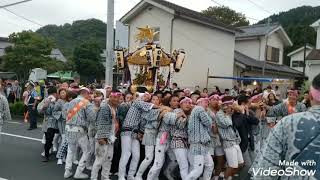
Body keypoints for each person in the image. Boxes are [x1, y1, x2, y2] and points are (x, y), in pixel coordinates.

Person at [250, 73, 320, 180]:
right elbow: (272, 111)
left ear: (310, 95)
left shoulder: (300, 107)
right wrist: (264, 107)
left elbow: (264, 172)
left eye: (294, 95)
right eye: (290, 95)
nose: (292, 97)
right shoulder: (283, 106)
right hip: (288, 136)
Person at [118, 93, 159, 180]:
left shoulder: (144, 109)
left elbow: (143, 123)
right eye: (144, 96)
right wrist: (162, 107)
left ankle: (130, 175)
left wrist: (141, 132)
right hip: (127, 131)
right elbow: (151, 106)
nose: (146, 98)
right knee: (126, 154)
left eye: (147, 97)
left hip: (135, 133)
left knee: (136, 155)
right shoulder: (137, 102)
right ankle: (121, 176)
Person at [64, 87, 96, 179]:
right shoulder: (86, 103)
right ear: (85, 93)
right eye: (88, 94)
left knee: (71, 150)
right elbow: (92, 117)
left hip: (68, 127)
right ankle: (78, 172)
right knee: (87, 150)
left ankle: (67, 171)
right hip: (79, 129)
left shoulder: (70, 102)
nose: (89, 96)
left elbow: (65, 114)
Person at [91, 91, 121, 180]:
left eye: (118, 98)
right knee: (99, 160)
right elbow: (101, 122)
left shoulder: (114, 108)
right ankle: (93, 178)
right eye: (114, 97)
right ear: (110, 97)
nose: (117, 100)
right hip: (103, 137)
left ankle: (105, 177)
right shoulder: (105, 107)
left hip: (110, 137)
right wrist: (101, 137)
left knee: (108, 159)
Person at [134, 95, 163, 180]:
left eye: (157, 99)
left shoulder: (159, 109)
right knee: (148, 157)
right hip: (149, 133)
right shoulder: (148, 110)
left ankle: (154, 176)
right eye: (153, 99)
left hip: (157, 135)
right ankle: (138, 175)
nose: (155, 101)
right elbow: (148, 119)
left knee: (156, 158)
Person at [216, 96, 244, 180]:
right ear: (224, 105)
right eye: (229, 104)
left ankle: (223, 175)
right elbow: (227, 123)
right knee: (232, 165)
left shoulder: (231, 113)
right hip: (228, 142)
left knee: (241, 164)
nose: (231, 106)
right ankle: (224, 177)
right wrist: (228, 114)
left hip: (235, 141)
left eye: (232, 104)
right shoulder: (219, 114)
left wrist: (232, 112)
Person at [186, 98, 213, 180]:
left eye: (208, 103)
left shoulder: (196, 110)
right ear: (199, 102)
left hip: (201, 144)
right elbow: (208, 122)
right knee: (197, 170)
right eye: (205, 102)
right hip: (198, 144)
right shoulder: (199, 108)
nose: (207, 105)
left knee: (210, 165)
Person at [40, 86, 58, 162]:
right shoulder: (46, 100)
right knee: (49, 139)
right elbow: (40, 110)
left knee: (57, 139)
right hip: (49, 122)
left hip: (56, 122)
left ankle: (57, 154)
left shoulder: (58, 100)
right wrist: (45, 106)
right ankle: (47, 154)